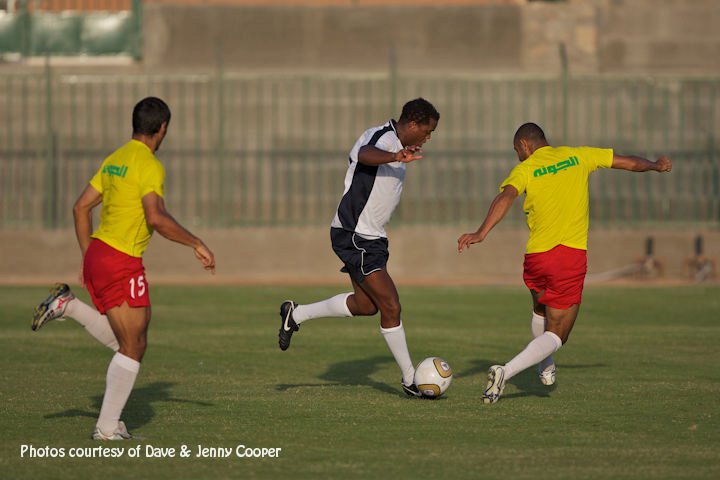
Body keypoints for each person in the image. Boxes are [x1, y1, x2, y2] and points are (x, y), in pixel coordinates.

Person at [31, 97, 216, 439]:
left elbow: (79, 208)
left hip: (99, 253)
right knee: (133, 346)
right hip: (120, 260)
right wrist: (196, 243)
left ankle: (68, 307)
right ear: (162, 129)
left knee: (130, 343)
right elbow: (156, 217)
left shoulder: (115, 158)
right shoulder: (148, 164)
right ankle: (105, 428)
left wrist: (88, 257)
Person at [457, 122, 672, 404]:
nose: (518, 156)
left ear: (524, 145)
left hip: (536, 257)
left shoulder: (525, 169)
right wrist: (656, 165)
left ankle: (545, 366)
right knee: (558, 334)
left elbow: (506, 196)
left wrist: (481, 232)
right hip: (567, 256)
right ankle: (504, 372)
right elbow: (628, 162)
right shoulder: (579, 155)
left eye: (516, 151)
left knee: (539, 308)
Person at [277, 98, 440, 396]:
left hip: (373, 237)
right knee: (391, 305)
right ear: (413, 124)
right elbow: (364, 154)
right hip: (354, 233)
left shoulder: (397, 148)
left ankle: (296, 314)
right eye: (427, 131)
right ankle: (410, 380)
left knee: (366, 306)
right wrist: (395, 155)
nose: (428, 138)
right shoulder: (380, 137)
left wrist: (399, 155)